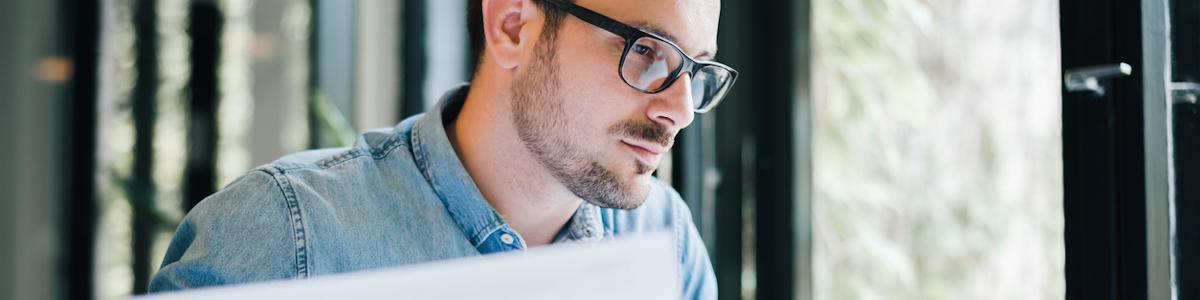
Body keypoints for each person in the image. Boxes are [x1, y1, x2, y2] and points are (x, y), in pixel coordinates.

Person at [149, 0, 737, 298]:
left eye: (696, 70)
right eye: (647, 51)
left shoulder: (665, 239)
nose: (680, 108)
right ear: (512, 26)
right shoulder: (283, 235)